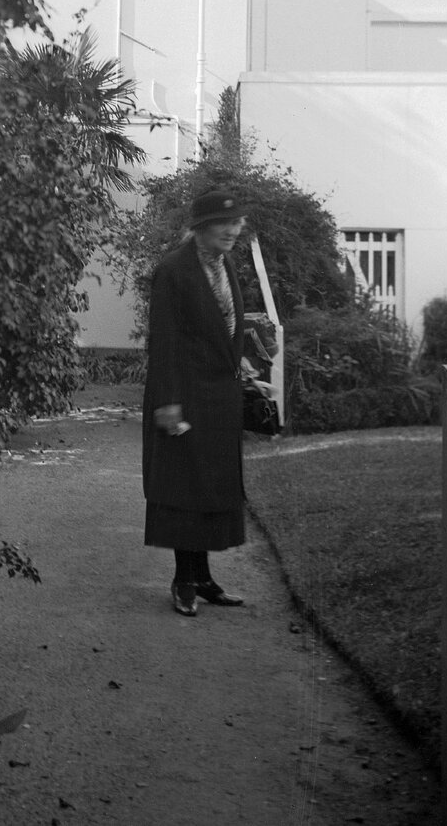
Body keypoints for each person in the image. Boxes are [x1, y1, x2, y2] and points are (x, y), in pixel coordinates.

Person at [141, 188, 275, 617]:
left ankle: (203, 578)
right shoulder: (173, 271)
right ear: (200, 228)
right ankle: (183, 579)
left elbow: (225, 327)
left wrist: (244, 368)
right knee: (185, 487)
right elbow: (164, 344)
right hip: (184, 396)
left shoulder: (223, 263)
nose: (233, 231)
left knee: (211, 488)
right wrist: (169, 404)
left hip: (219, 398)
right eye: (224, 224)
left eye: (236, 224)